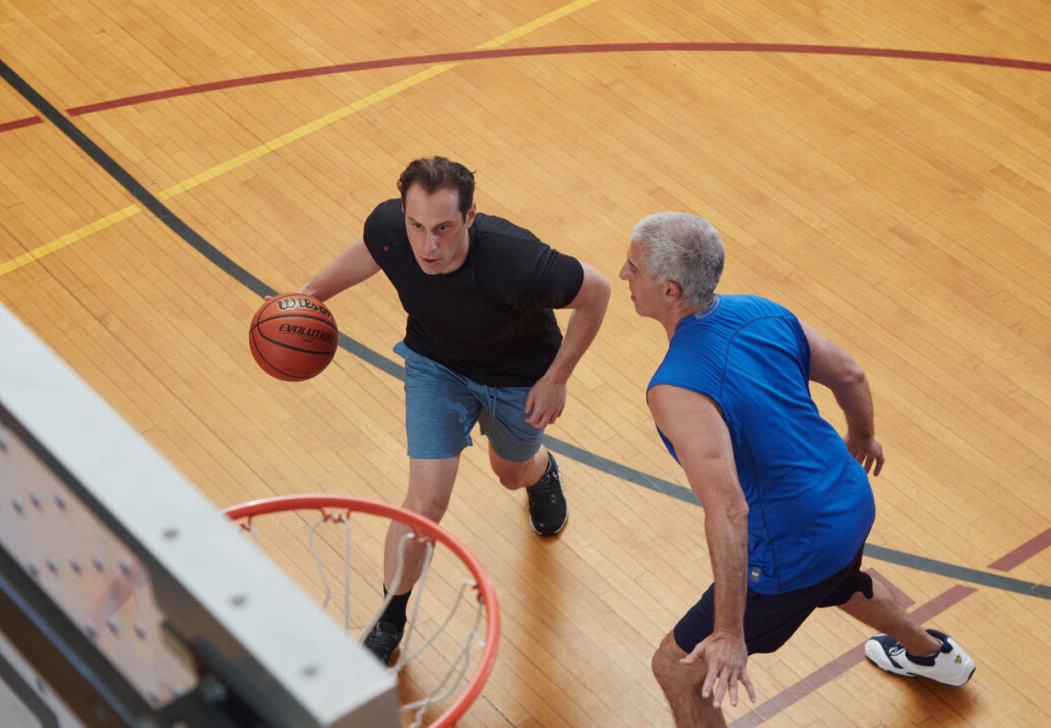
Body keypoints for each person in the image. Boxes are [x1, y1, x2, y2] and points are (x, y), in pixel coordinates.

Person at [618, 212, 974, 726]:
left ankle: (923, 649)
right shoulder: (763, 313)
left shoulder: (677, 388)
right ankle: (934, 655)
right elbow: (849, 374)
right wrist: (862, 436)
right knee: (838, 580)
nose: (625, 276)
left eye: (633, 269)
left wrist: (728, 632)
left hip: (792, 548)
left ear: (670, 290)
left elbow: (729, 509)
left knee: (676, 668)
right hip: (849, 504)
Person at [297, 157, 610, 663]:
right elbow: (372, 250)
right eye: (416, 226)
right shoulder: (389, 228)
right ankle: (390, 614)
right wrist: (310, 294)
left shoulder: (519, 260)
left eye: (442, 228)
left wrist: (557, 379)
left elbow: (596, 294)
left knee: (511, 473)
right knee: (425, 503)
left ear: (470, 217)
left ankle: (542, 471)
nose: (428, 245)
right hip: (435, 365)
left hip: (517, 378)